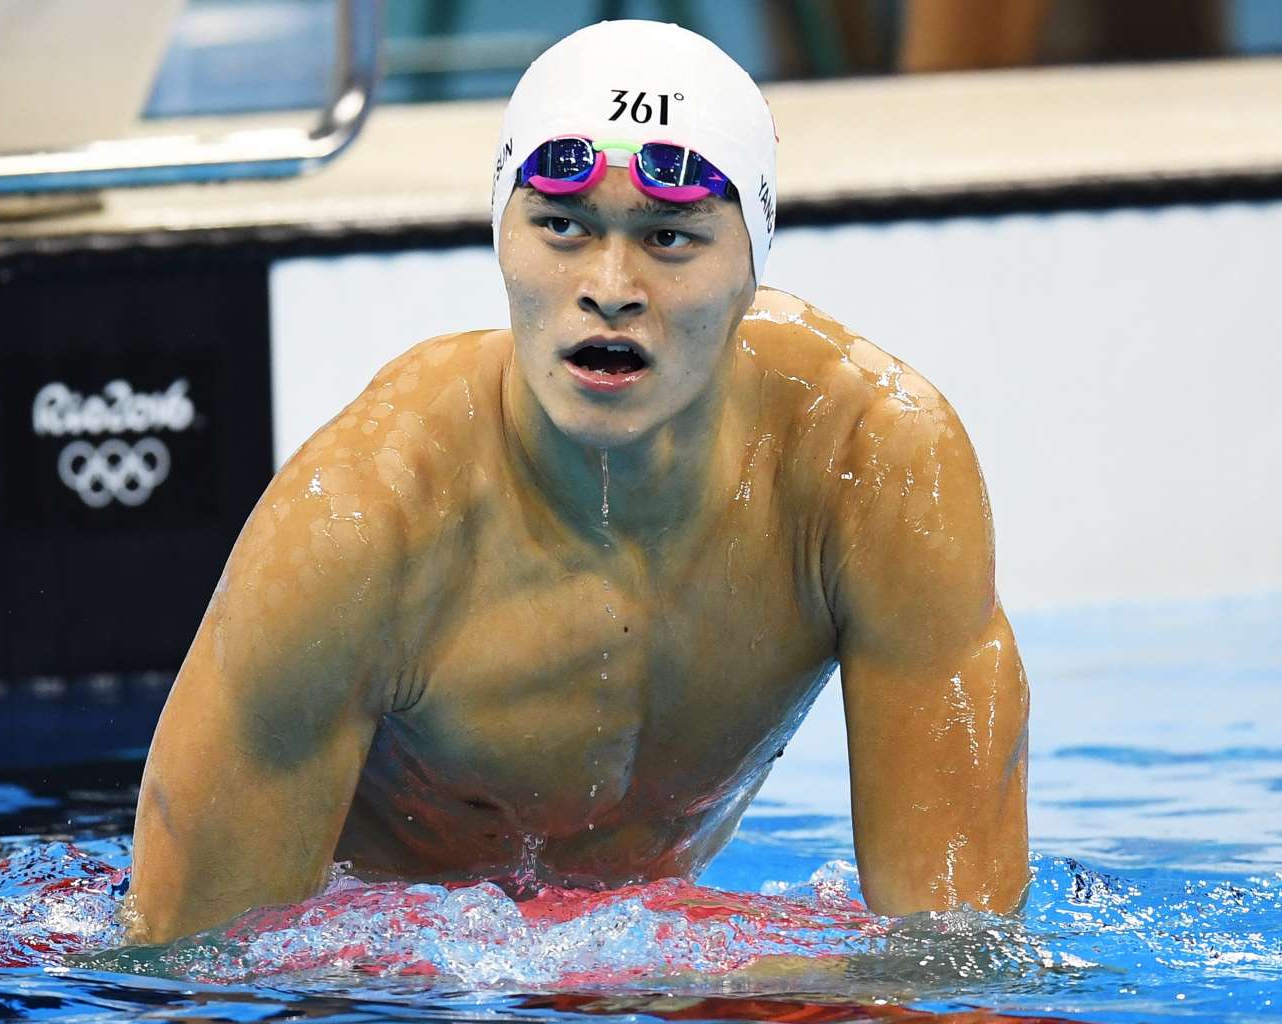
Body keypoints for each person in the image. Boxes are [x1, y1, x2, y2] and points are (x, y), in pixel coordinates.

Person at [125, 19, 1029, 944]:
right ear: (502, 238)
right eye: (561, 226)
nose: (610, 285)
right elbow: (191, 966)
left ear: (751, 264)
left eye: (669, 237)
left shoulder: (867, 466)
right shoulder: (366, 520)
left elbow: (957, 952)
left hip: (657, 964)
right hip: (387, 977)